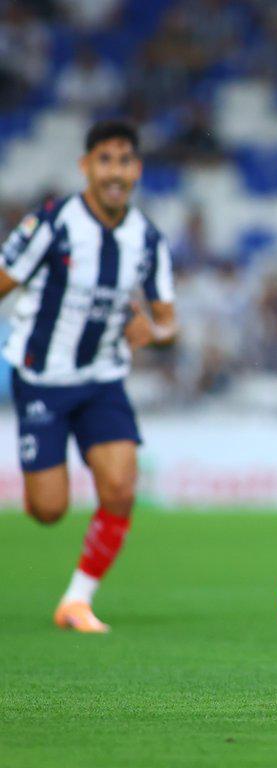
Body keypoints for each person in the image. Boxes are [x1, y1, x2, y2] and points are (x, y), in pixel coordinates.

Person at [0, 120, 177, 633]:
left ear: (136, 170)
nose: (115, 171)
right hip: (42, 377)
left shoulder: (146, 240)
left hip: (102, 378)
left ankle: (77, 600)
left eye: (125, 161)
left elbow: (168, 321)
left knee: (121, 489)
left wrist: (157, 330)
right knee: (48, 509)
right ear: (86, 167)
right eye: (105, 160)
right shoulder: (51, 224)